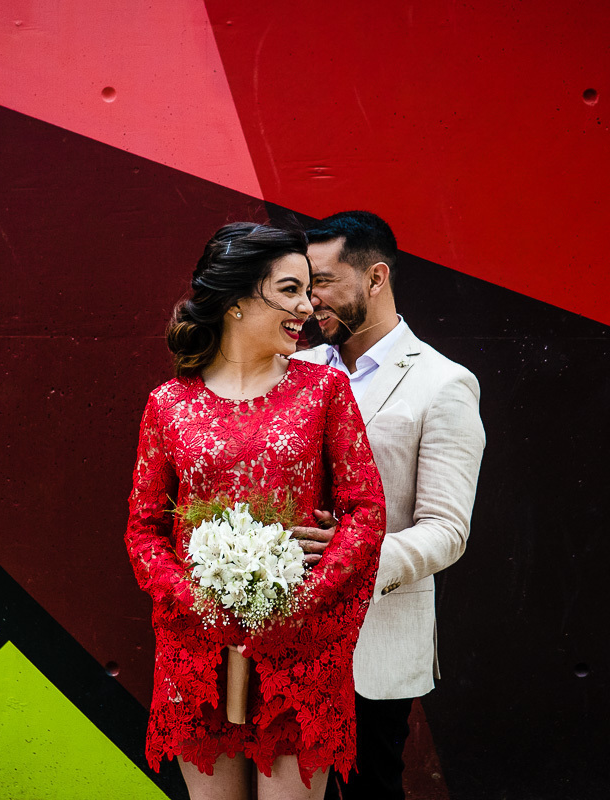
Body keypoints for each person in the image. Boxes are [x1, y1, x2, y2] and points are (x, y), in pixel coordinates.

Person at [125, 222, 387, 800]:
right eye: (290, 290)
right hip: (198, 654)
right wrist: (199, 606)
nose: (307, 306)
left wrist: (300, 603)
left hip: (298, 653)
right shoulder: (168, 404)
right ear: (239, 300)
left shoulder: (324, 391)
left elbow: (366, 514)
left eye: (309, 290)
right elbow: (145, 531)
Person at [291, 211, 485, 800]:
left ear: (376, 278)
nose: (307, 301)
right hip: (282, 633)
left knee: (369, 789)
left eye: (321, 282)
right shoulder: (289, 371)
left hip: (371, 642)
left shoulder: (443, 384)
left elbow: (447, 530)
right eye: (300, 283)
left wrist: (353, 556)